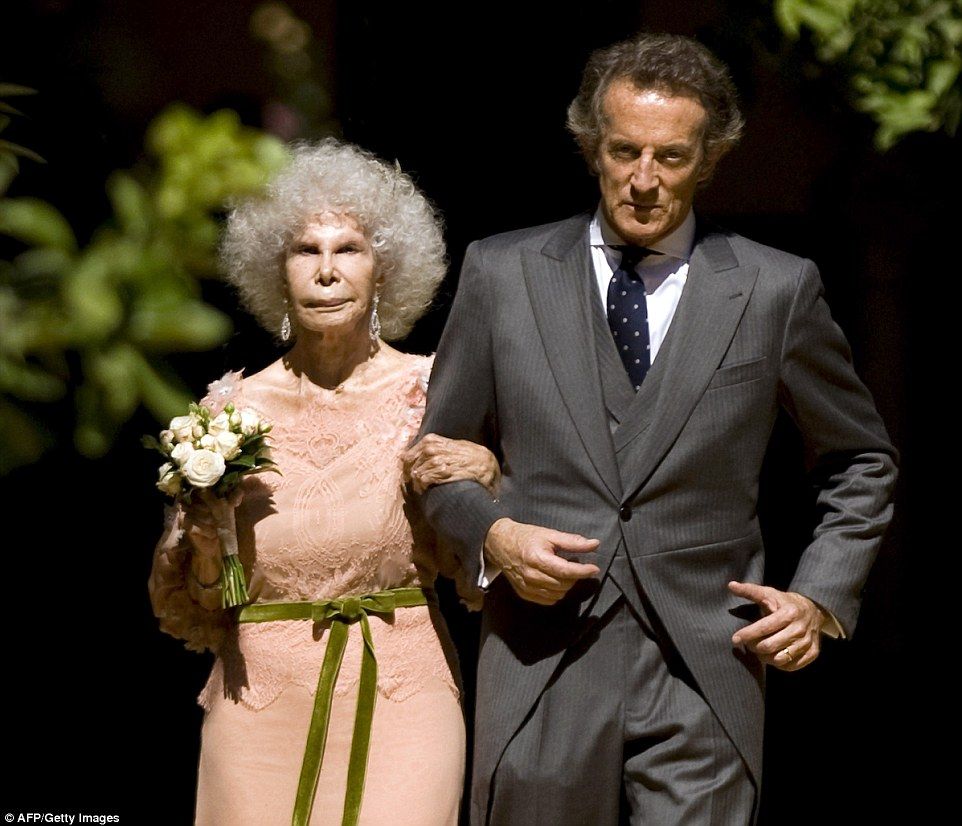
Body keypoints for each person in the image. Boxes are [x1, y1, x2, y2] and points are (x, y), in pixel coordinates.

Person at [414, 33, 898, 825]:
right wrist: (493, 537)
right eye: (623, 151)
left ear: (709, 159)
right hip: (541, 652)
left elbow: (862, 457)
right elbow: (437, 462)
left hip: (707, 662)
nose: (643, 181)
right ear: (590, 147)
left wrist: (820, 595)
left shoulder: (776, 289)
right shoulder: (501, 273)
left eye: (670, 158)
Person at [148, 139, 499, 826]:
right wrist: (207, 538)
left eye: (349, 250)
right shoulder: (227, 411)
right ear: (276, 272)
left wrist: (490, 474)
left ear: (384, 270)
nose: (327, 272)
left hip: (401, 697)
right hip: (259, 705)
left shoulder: (432, 393)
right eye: (306, 251)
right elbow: (196, 603)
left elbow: (480, 561)